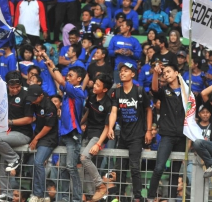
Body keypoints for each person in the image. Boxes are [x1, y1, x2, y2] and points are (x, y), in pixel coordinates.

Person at [108, 62, 153, 202]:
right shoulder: (118, 91)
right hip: (123, 135)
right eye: (121, 71)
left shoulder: (139, 91)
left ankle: (137, 197)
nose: (122, 73)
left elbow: (149, 109)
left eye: (126, 70)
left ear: (133, 74)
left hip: (137, 135)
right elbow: (114, 111)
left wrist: (148, 130)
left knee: (134, 168)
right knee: (120, 168)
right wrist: (110, 127)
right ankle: (120, 196)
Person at [44, 58, 87, 202]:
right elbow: (58, 81)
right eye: (67, 75)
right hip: (64, 134)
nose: (68, 78)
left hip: (73, 134)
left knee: (70, 167)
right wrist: (50, 65)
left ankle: (76, 199)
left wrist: (54, 66)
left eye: (71, 76)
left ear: (79, 79)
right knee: (62, 168)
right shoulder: (69, 90)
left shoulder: (78, 92)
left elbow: (61, 81)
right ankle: (62, 199)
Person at [147, 62, 187, 200]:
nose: (166, 74)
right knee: (159, 168)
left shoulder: (186, 91)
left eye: (168, 72)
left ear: (176, 73)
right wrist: (156, 74)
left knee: (175, 172)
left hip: (182, 136)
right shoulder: (164, 91)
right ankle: (151, 198)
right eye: (165, 73)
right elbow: (154, 89)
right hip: (167, 136)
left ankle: (171, 199)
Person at [80, 73, 113, 201]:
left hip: (98, 134)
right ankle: (90, 194)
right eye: (95, 83)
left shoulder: (108, 103)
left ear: (105, 89)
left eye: (98, 85)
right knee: (80, 163)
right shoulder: (92, 97)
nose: (94, 86)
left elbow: (106, 127)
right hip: (87, 132)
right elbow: (88, 112)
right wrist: (80, 124)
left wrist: (98, 144)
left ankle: (100, 186)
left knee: (84, 157)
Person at [27, 84, 59, 202]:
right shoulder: (35, 103)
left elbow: (48, 127)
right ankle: (42, 194)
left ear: (41, 96)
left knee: (38, 162)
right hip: (39, 136)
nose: (33, 100)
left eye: (35, 98)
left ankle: (38, 194)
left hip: (49, 138)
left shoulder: (50, 106)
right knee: (33, 165)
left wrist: (36, 139)